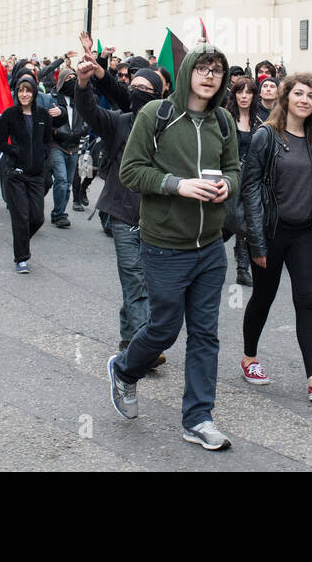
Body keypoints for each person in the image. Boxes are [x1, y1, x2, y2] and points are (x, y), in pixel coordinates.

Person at [109, 43, 240, 451]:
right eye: (202, 68)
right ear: (187, 73)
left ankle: (198, 418)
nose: (209, 75)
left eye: (217, 70)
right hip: (164, 244)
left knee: (205, 334)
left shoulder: (223, 121)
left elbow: (235, 168)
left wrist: (227, 187)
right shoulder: (156, 114)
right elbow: (130, 171)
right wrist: (176, 184)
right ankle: (125, 370)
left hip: (210, 247)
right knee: (163, 329)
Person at [239, 74, 312, 402]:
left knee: (307, 302)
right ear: (286, 98)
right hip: (271, 232)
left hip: (304, 233)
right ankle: (249, 358)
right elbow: (251, 190)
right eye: (298, 93)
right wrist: (256, 242)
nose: (304, 100)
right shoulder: (265, 136)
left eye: (310, 96)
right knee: (263, 296)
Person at [74, 47, 166, 358]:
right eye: (135, 88)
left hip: (157, 219)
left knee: (146, 284)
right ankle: (145, 349)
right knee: (134, 278)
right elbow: (88, 112)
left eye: (147, 89)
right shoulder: (119, 121)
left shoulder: (167, 129)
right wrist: (84, 84)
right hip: (122, 215)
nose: (139, 93)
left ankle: (129, 340)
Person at [0, 75, 52, 273]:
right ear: (16, 93)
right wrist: (16, 152)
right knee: (21, 216)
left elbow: (47, 142)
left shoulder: (43, 116)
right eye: (21, 90)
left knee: (37, 218)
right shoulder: (9, 114)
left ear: (34, 92)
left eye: (28, 90)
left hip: (36, 174)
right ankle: (22, 257)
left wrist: (42, 155)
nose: (24, 94)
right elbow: (1, 142)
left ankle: (20, 240)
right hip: (16, 174)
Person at [227, 75, 259, 287]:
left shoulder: (258, 121)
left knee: (245, 222)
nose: (244, 96)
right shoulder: (226, 118)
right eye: (240, 92)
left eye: (248, 92)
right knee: (227, 222)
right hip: (230, 176)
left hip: (251, 178)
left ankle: (242, 268)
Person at [49, 68, 86, 230]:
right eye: (68, 78)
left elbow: (87, 119)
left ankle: (59, 212)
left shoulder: (80, 100)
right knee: (62, 180)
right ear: (61, 81)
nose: (71, 80)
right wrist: (55, 130)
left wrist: (81, 130)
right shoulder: (53, 99)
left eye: (74, 77)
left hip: (74, 146)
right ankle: (59, 214)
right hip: (57, 145)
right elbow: (45, 121)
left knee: (69, 183)